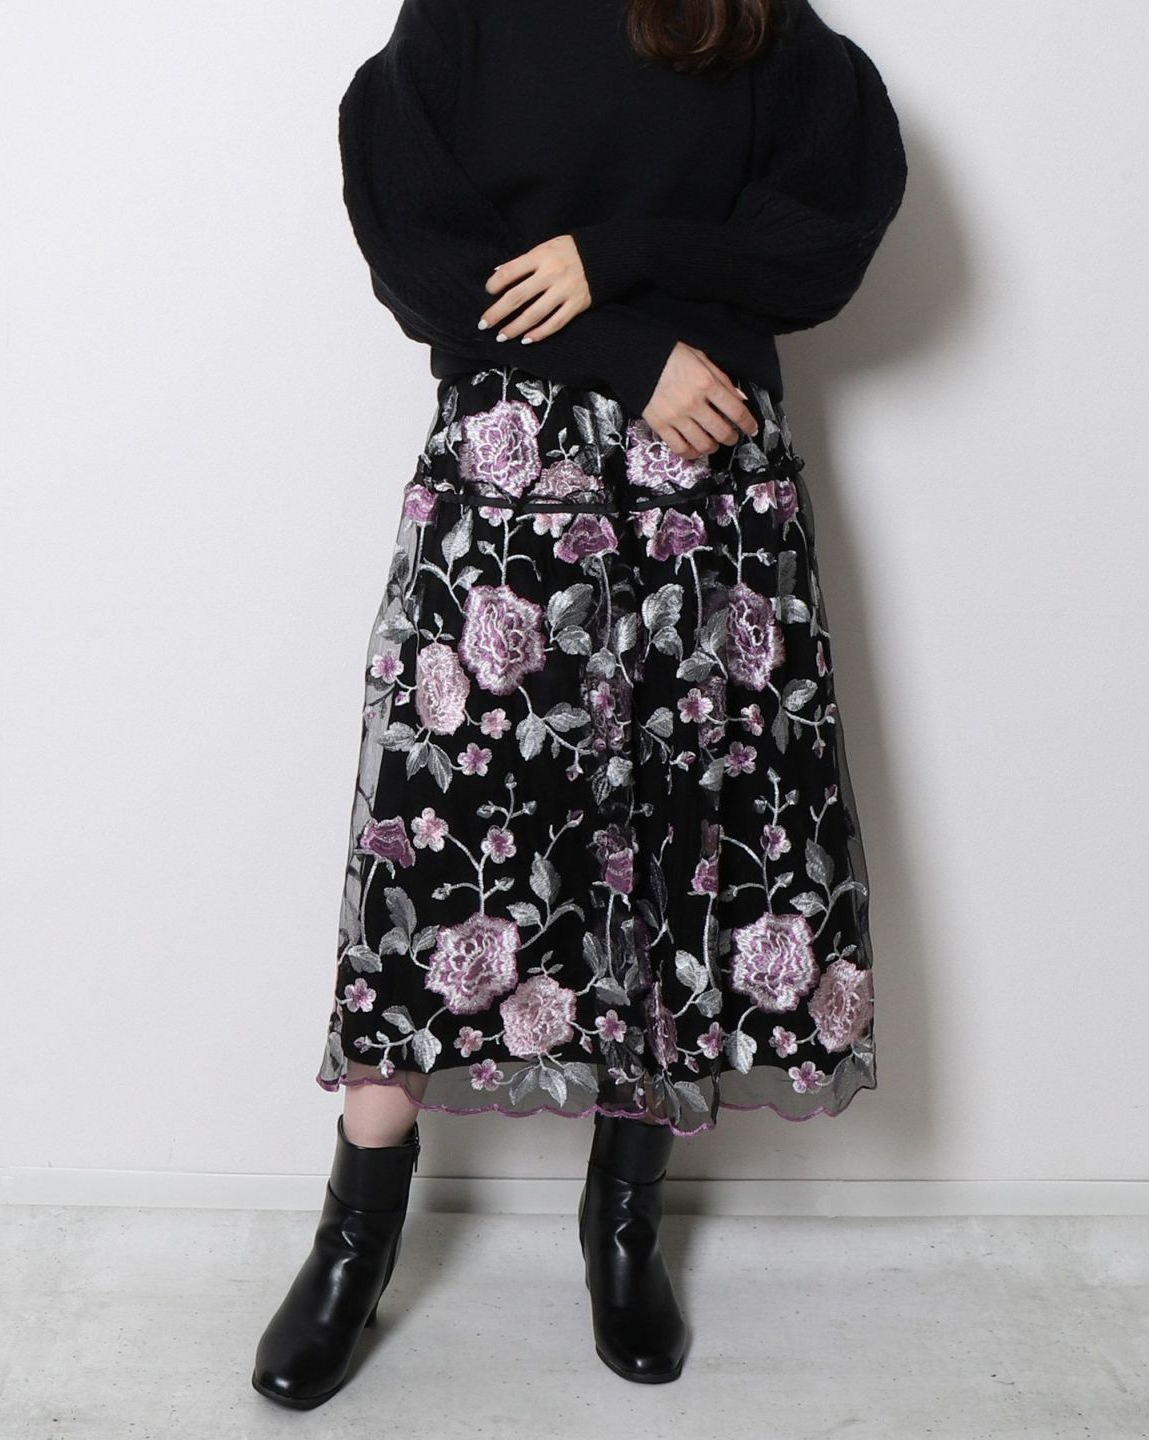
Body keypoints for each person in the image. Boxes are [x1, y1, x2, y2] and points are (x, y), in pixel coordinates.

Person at [253, 0, 907, 1407]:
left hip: (709, 500)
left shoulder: (750, 23)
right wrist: (628, 350)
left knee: (676, 844)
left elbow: (826, 243)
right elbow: (421, 255)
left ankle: (624, 1225)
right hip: (509, 493)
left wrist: (619, 258)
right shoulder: (468, 17)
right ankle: (355, 1234)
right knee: (439, 842)